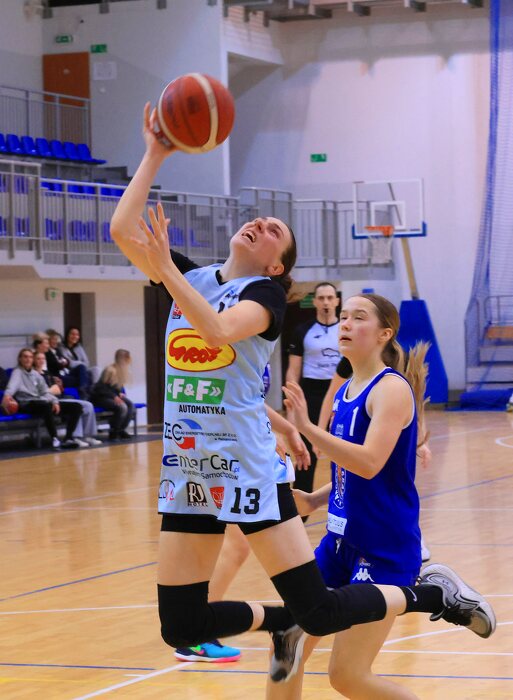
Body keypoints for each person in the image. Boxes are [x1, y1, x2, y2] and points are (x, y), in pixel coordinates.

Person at [109, 102, 495, 685]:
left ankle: (429, 593)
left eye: (274, 232)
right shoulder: (196, 278)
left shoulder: (264, 296)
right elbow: (121, 230)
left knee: (319, 610)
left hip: (245, 468)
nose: (260, 225)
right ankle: (279, 620)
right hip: (187, 467)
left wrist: (165, 270)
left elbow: (216, 331)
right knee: (181, 623)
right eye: (259, 220)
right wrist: (156, 151)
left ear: (277, 266)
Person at [266, 293, 434, 699]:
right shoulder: (346, 391)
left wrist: (307, 428)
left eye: (358, 317)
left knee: (346, 675)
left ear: (384, 334)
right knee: (286, 647)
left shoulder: (390, 389)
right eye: (343, 316)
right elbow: (351, 474)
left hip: (383, 548)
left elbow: (370, 463)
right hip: (339, 544)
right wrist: (315, 500)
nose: (345, 323)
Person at [174, 384, 311, 664]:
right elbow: (229, 397)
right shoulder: (231, 358)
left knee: (229, 546)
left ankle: (196, 629)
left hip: (225, 447)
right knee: (231, 545)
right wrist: (262, 434)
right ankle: (197, 633)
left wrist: (286, 429)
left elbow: (248, 399)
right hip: (218, 448)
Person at [316, 354, 433, 563]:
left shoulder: (392, 385)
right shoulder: (346, 384)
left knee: (383, 477)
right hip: (346, 529)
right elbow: (330, 394)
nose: (344, 330)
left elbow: (414, 404)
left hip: (384, 532)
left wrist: (420, 440)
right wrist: (319, 430)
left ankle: (408, 541)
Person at [285, 282, 341, 496]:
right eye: (322, 298)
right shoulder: (303, 331)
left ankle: (346, 498)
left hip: (340, 393)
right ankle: (301, 502)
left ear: (337, 301)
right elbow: (293, 371)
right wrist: (291, 404)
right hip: (312, 394)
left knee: (344, 445)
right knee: (307, 450)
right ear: (315, 302)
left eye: (330, 297)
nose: (326, 302)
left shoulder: (346, 330)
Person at [2, 348, 82, 449]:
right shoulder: (17, 372)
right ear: (20, 359)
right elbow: (11, 387)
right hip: (26, 403)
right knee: (46, 405)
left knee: (76, 407)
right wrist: (7, 396)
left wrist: (55, 401)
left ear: (32, 360)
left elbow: (45, 392)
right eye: (25, 357)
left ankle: (68, 438)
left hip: (41, 402)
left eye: (30, 357)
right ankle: (55, 439)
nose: (28, 359)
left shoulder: (36, 374)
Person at [32, 351, 102, 448]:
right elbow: (39, 392)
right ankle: (75, 437)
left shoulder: (48, 374)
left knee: (88, 405)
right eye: (38, 358)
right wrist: (51, 390)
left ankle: (88, 436)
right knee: (77, 407)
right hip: (49, 401)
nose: (41, 361)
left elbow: (58, 390)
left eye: (43, 358)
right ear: (34, 360)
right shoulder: (33, 374)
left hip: (59, 398)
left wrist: (57, 387)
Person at [90, 349, 135, 441]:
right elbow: (100, 388)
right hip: (101, 397)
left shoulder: (121, 370)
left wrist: (119, 393)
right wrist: (114, 396)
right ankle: (114, 431)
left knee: (130, 405)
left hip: (112, 395)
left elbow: (115, 387)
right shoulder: (110, 370)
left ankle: (121, 429)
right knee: (122, 407)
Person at [60, 327, 92, 399]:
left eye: (77, 335)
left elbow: (87, 363)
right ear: (67, 335)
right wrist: (79, 363)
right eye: (72, 334)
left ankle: (93, 390)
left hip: (81, 372)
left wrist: (73, 363)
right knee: (82, 368)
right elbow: (67, 363)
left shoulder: (79, 347)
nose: (75, 336)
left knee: (95, 369)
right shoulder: (61, 348)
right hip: (69, 372)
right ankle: (82, 390)